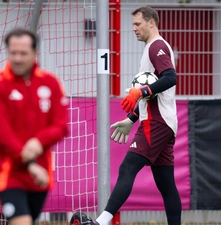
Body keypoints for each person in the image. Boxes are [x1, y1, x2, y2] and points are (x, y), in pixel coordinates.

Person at [70, 6, 181, 225]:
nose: (134, 29)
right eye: (132, 25)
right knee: (166, 184)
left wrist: (142, 91)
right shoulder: (152, 47)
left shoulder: (157, 46)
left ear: (151, 23)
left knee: (128, 167)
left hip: (157, 122)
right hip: (164, 122)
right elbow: (153, 92)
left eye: (138, 24)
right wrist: (131, 119)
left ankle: (101, 222)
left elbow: (170, 77)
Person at [0, 28, 68, 225]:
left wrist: (39, 142)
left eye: (23, 53)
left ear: (35, 53)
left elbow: (61, 126)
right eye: (13, 53)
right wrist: (30, 164)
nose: (18, 58)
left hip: (41, 173)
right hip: (8, 171)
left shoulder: (51, 82)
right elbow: (2, 133)